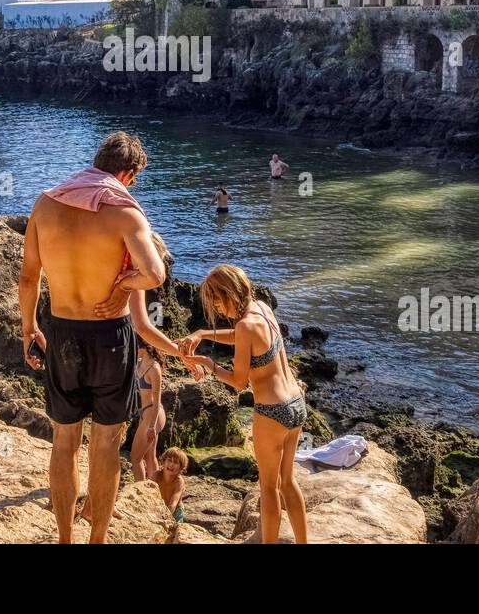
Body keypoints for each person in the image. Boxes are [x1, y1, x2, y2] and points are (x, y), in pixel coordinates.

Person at [18, 131, 188, 544]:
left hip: (60, 331)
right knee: (107, 443)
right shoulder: (126, 213)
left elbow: (28, 277)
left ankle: (64, 538)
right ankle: (97, 539)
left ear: (96, 163)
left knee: (64, 441)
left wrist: (29, 329)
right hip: (110, 335)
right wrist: (121, 287)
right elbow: (155, 273)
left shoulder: (46, 203)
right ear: (128, 175)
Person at [180, 264, 309, 544]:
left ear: (229, 293)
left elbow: (238, 382)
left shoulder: (244, 326)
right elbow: (244, 338)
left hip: (272, 412)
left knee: (268, 489)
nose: (216, 307)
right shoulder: (262, 308)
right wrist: (202, 333)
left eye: (216, 300)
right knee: (287, 481)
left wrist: (208, 363)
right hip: (296, 404)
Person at [131, 341, 165, 481]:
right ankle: (156, 491)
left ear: (143, 348)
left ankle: (141, 492)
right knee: (150, 456)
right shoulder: (139, 363)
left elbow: (157, 400)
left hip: (154, 414)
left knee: (135, 458)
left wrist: (152, 426)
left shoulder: (154, 368)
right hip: (144, 413)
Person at [154, 447, 188, 524]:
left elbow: (173, 503)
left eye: (176, 462)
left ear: (181, 468)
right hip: (159, 507)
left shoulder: (179, 482)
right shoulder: (156, 475)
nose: (171, 464)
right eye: (169, 460)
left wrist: (166, 517)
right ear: (163, 462)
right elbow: (146, 490)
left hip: (175, 512)